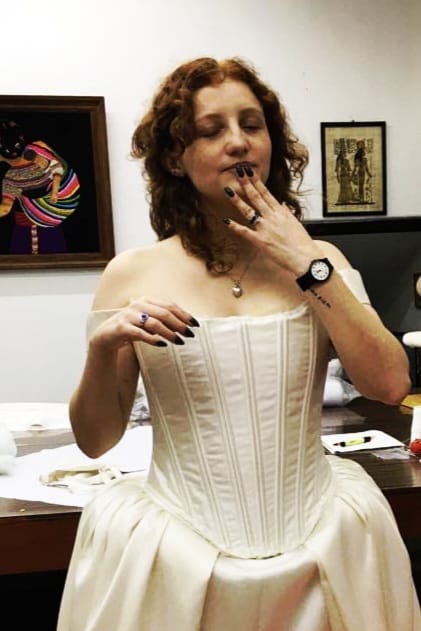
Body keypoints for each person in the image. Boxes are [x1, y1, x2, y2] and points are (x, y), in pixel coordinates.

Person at [57, 57, 421, 631]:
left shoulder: (323, 262)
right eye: (211, 130)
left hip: (324, 543)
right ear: (174, 157)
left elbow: (390, 384)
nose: (238, 142)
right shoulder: (131, 275)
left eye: (252, 125)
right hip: (174, 551)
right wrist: (103, 350)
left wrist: (310, 265)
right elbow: (95, 441)